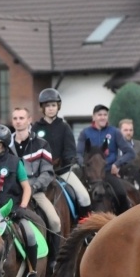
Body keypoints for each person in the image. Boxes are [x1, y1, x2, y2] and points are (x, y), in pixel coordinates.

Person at [0, 124, 42, 277]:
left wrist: (22, 205)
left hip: (11, 210)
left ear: (0, 145)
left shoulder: (16, 162)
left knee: (29, 235)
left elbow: (26, 187)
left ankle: (32, 273)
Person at [11, 107, 61, 272]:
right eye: (15, 118)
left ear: (29, 120)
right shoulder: (5, 144)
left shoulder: (41, 144)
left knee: (54, 221)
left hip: (36, 191)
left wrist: (34, 186)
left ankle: (53, 260)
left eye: (21, 118)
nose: (18, 121)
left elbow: (48, 172)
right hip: (11, 193)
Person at [31, 88, 92, 222]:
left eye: (53, 105)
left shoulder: (64, 127)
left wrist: (68, 160)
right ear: (42, 108)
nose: (51, 108)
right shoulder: (35, 128)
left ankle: (85, 230)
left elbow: (70, 149)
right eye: (47, 106)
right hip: (41, 173)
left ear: (58, 106)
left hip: (62, 171)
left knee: (84, 196)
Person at [76, 104, 135, 214]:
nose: (102, 117)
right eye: (99, 115)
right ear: (93, 117)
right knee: (75, 196)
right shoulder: (85, 133)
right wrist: (83, 165)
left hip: (107, 172)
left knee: (121, 193)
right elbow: (78, 153)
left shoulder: (115, 132)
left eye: (105, 115)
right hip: (89, 175)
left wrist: (117, 164)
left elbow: (130, 152)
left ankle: (124, 221)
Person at [118, 118, 140, 192]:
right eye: (126, 130)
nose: (128, 132)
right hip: (120, 183)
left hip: (139, 183)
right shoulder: (114, 147)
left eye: (131, 130)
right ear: (119, 131)